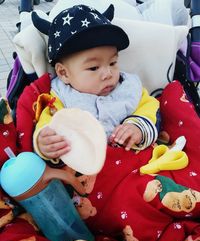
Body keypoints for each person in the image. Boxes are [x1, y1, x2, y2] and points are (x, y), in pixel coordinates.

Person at [31, 4, 160, 164]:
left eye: (113, 63)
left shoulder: (128, 87)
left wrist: (138, 128)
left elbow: (150, 107)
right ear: (64, 73)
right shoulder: (61, 97)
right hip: (86, 170)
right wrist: (45, 142)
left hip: (133, 162)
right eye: (93, 68)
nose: (108, 74)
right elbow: (48, 121)